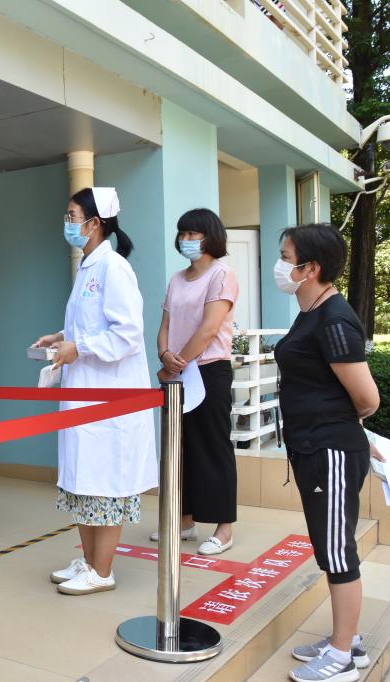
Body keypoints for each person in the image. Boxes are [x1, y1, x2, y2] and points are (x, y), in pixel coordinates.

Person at [33, 187, 157, 596]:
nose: (67, 224)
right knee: (83, 480)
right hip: (84, 393)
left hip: (108, 398)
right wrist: (61, 336)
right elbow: (90, 324)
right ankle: (88, 561)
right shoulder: (88, 267)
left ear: (94, 223)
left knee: (104, 482)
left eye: (72, 216)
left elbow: (128, 334)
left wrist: (80, 347)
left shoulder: (113, 268)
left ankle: (102, 571)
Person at [273, 224, 382, 682]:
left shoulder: (334, 319)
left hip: (331, 449)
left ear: (311, 268)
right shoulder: (312, 311)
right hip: (314, 448)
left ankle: (342, 657)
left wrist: (336, 424)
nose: (279, 265)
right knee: (328, 546)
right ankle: (346, 638)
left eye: (286, 257)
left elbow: (368, 398)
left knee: (337, 553)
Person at [151, 209, 239, 556]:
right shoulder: (176, 278)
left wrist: (178, 361)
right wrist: (164, 354)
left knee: (213, 447)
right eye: (182, 233)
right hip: (176, 371)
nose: (186, 239)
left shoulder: (222, 274)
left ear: (210, 236)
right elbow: (165, 324)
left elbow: (209, 327)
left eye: (193, 234)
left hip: (208, 370)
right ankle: (184, 521)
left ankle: (224, 528)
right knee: (179, 446)